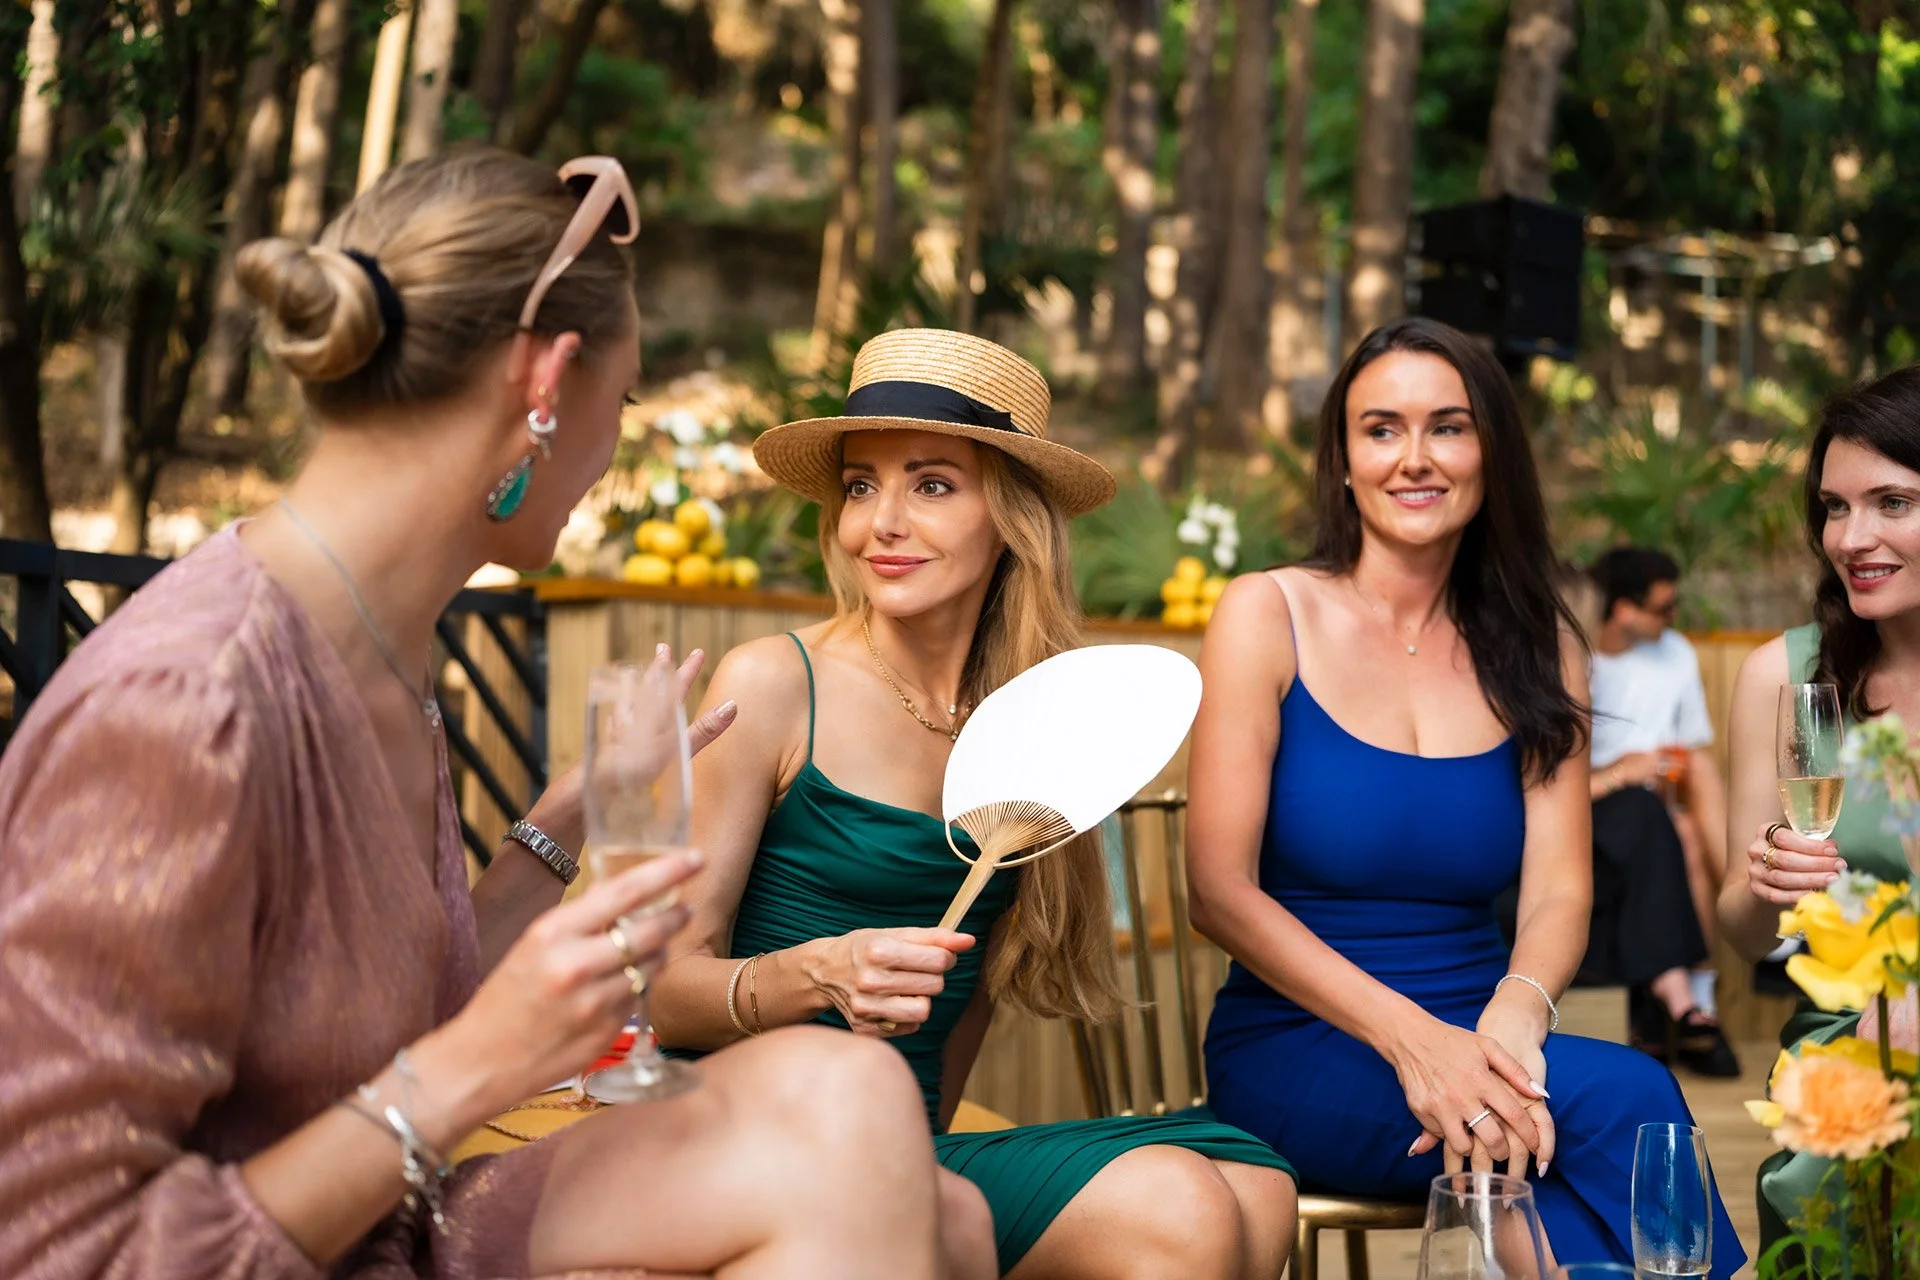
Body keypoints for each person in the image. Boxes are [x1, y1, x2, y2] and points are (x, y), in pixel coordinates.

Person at [0, 147, 980, 1279]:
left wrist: (545, 839)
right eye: (622, 403)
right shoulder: (180, 705)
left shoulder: (376, 646)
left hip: (393, 1225)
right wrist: (475, 1065)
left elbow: (364, 1033)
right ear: (548, 384)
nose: (610, 458)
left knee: (891, 1142)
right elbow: (56, 1248)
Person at [650, 328, 1298, 1280]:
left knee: (1257, 1187)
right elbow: (659, 990)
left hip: (903, 1147)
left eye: (933, 484)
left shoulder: (1035, 729)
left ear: (1012, 516)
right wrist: (815, 974)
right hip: (750, 1135)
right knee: (1179, 1206)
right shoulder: (776, 686)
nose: (883, 524)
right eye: (862, 486)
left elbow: (967, 1015)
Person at [1188, 318, 1744, 1275]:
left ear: (1491, 450)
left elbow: (1560, 890)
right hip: (1302, 1041)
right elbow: (1217, 891)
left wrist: (1515, 1019)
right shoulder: (1266, 614)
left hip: (1490, 1033)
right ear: (1344, 457)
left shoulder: (1544, 647)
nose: (1414, 458)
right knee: (1621, 1102)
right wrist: (1417, 1045)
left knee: (1539, 1153)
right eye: (1381, 429)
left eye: (1447, 427)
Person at [1721, 364, 1920, 1253]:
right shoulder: (1792, 679)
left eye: (1892, 502)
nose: (1854, 536)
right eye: (1835, 508)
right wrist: (1766, 882)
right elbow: (1743, 935)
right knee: (1825, 1169)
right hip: (1846, 1037)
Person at [1586, 546, 1739, 1076]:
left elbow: (1691, 746)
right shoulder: (1576, 660)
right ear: (1623, 609)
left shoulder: (1675, 653)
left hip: (1658, 802)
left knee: (1686, 808)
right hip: (1594, 808)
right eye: (1664, 607)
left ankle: (1743, 886)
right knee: (1678, 834)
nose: (1675, 617)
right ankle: (1698, 1002)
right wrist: (1623, 773)